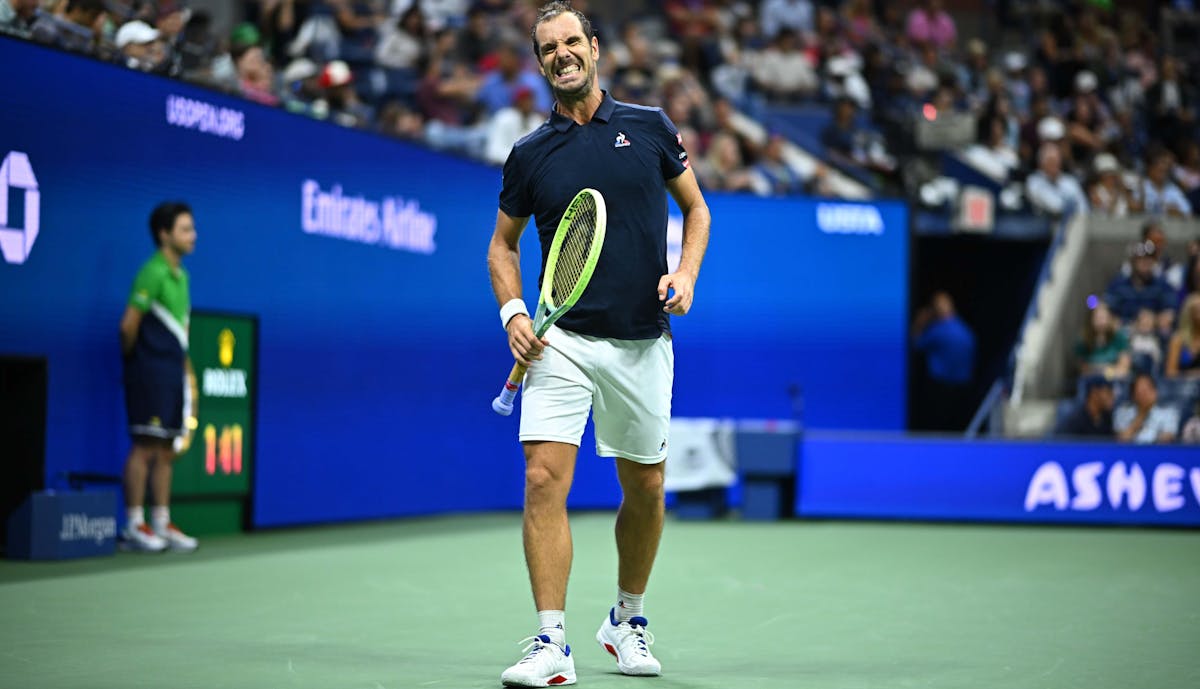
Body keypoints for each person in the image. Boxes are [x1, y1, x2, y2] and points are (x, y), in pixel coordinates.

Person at [486, 3, 711, 686]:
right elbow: (502, 246)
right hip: (562, 342)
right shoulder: (529, 154)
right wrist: (515, 312)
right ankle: (551, 640)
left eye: (571, 41)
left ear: (594, 48)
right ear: (541, 61)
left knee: (645, 486)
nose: (561, 54)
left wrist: (687, 273)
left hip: (643, 341)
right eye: (547, 47)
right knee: (542, 477)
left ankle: (626, 619)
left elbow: (697, 209)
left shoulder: (649, 128)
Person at [118, 202, 200, 553]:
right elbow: (128, 326)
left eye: (192, 229)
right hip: (148, 373)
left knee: (166, 449)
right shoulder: (152, 272)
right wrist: (138, 363)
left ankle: (161, 522)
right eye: (185, 229)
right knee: (145, 447)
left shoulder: (183, 277)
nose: (193, 236)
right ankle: (134, 524)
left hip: (171, 374)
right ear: (164, 235)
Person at [911, 291, 976, 431]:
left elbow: (916, 344)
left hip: (941, 388)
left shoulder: (938, 330)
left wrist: (919, 322)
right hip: (962, 387)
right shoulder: (965, 330)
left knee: (938, 426)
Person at [1114, 373, 1179, 444]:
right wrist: (1141, 414)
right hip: (1129, 453)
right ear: (1132, 395)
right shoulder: (1123, 412)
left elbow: (1166, 440)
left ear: (1155, 392)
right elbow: (1122, 440)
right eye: (1140, 391)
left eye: (1147, 389)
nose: (1144, 394)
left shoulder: (1168, 413)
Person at [1165, 293, 1200, 378]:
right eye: (1198, 310)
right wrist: (1193, 375)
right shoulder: (1178, 340)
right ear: (1190, 314)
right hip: (1183, 387)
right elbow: (1170, 372)